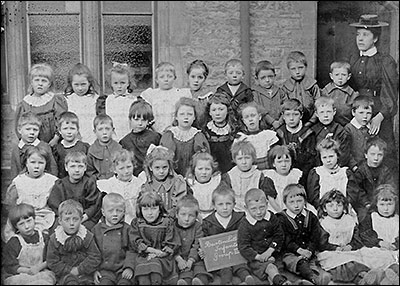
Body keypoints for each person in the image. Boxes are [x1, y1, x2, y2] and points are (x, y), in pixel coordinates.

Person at [348, 14, 399, 175]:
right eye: (358, 35)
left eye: (365, 34)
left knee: (383, 155)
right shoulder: (354, 59)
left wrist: (380, 116)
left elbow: (391, 93)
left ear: (375, 38)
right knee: (358, 151)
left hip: (379, 113)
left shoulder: (385, 61)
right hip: (359, 111)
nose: (360, 39)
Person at [276, 184, 332, 285]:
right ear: (285, 203)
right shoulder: (281, 219)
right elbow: (285, 239)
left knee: (315, 263)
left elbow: (315, 236)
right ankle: (313, 279)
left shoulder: (311, 216)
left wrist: (309, 251)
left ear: (305, 201)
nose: (296, 205)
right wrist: (299, 250)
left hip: (308, 251)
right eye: (291, 202)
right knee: (298, 263)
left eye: (299, 201)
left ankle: (315, 277)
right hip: (290, 252)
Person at [201, 186, 255, 285]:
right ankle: (227, 283)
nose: (225, 207)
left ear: (234, 204)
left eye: (228, 204)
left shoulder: (240, 218)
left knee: (241, 265)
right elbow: (204, 241)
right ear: (214, 205)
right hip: (219, 258)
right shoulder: (208, 222)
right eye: (220, 204)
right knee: (224, 268)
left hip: (237, 253)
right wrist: (202, 250)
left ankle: (247, 278)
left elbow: (247, 235)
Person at [4, 145, 58, 242]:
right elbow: (11, 204)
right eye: (32, 162)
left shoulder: (51, 181)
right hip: (22, 215)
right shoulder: (19, 181)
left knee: (42, 236)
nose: (36, 166)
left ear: (46, 164)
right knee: (12, 236)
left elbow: (56, 203)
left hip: (43, 215)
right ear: (26, 163)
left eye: (41, 162)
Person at [237, 188, 290, 285]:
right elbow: (243, 246)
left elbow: (279, 235)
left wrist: (270, 250)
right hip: (257, 259)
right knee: (270, 268)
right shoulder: (245, 224)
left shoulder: (272, 217)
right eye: (253, 209)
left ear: (267, 204)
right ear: (246, 208)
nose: (258, 212)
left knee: (276, 269)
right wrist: (259, 257)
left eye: (262, 207)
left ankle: (278, 281)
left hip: (274, 253)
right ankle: (282, 282)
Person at [317, 189, 370, 284]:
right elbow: (322, 243)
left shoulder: (349, 220)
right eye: (330, 205)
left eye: (339, 205)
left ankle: (364, 277)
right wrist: (335, 248)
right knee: (342, 264)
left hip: (349, 250)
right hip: (332, 252)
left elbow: (357, 238)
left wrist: (350, 246)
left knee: (358, 258)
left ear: (344, 207)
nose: (335, 209)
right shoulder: (324, 223)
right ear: (324, 208)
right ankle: (358, 278)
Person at [130, 191, 180, 285]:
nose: (150, 213)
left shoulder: (167, 222)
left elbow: (172, 243)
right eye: (145, 209)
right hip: (144, 255)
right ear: (140, 209)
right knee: (143, 272)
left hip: (163, 257)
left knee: (155, 269)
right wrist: (152, 251)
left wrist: (160, 254)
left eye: (154, 209)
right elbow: (135, 241)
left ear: (160, 209)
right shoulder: (137, 223)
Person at [46, 199, 101, 285]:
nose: (71, 223)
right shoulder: (55, 239)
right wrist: (69, 270)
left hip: (85, 273)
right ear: (60, 221)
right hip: (65, 275)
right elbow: (52, 261)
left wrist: (79, 270)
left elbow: (95, 257)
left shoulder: (87, 235)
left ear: (81, 219)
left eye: (75, 219)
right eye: (67, 219)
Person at [14, 63, 68, 146]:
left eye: (44, 81)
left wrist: (56, 139)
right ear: (31, 82)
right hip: (32, 144)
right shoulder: (25, 103)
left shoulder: (55, 100)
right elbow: (19, 126)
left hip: (53, 143)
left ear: (49, 84)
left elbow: (62, 120)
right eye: (37, 80)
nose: (40, 84)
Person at [2, 203, 56, 285]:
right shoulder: (14, 242)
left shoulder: (44, 238)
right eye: (21, 224)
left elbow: (51, 258)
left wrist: (39, 267)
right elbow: (10, 266)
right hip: (21, 274)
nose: (27, 226)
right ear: (16, 226)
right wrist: (28, 271)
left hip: (41, 271)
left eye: (29, 221)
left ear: (34, 219)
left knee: (45, 280)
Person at [48, 151, 103, 231]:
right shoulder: (61, 184)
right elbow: (54, 204)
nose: (77, 170)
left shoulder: (89, 183)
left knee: (87, 231)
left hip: (84, 218)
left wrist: (84, 217)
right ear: (66, 167)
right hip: (65, 217)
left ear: (85, 167)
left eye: (80, 166)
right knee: (57, 231)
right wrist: (66, 218)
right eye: (72, 166)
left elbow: (94, 204)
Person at [306, 137, 359, 219]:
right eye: (324, 157)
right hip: (323, 212)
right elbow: (313, 197)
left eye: (331, 156)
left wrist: (341, 208)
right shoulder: (317, 173)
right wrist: (325, 209)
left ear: (337, 155)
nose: (328, 160)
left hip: (343, 211)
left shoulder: (345, 173)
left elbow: (352, 195)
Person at [358, 184, 399, 284]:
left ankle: (388, 277)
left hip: (394, 251)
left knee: (395, 260)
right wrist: (379, 242)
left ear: (395, 203)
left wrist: (395, 244)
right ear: (376, 204)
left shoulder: (397, 219)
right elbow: (365, 233)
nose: (386, 209)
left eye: (389, 204)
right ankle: (375, 275)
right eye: (382, 204)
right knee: (373, 258)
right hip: (376, 249)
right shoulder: (372, 217)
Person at [222, 140, 277, 212]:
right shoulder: (229, 176)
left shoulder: (259, 176)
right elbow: (225, 197)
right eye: (240, 159)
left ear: (253, 158)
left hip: (256, 210)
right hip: (236, 210)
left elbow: (267, 198)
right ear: (234, 160)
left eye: (247, 158)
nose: (244, 162)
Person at [92, 193, 136, 285]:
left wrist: (129, 267)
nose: (115, 214)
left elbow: (132, 250)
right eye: (111, 211)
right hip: (105, 271)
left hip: (122, 269)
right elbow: (92, 252)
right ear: (103, 212)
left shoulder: (127, 229)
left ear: (124, 212)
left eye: (119, 211)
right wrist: (94, 271)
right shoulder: (96, 230)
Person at [160, 97, 210, 176]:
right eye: (182, 114)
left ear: (194, 117)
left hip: (193, 175)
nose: (186, 117)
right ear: (176, 116)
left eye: (190, 114)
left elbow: (203, 160)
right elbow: (164, 158)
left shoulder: (198, 136)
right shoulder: (169, 135)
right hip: (172, 176)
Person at [354, 137, 398, 222]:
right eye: (372, 154)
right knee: (364, 218)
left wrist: (382, 201)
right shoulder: (360, 171)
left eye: (379, 155)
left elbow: (390, 187)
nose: (376, 158)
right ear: (366, 155)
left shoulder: (385, 171)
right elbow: (358, 190)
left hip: (382, 203)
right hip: (365, 204)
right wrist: (366, 203)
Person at [140, 61, 192, 133]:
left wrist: (174, 128)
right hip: (155, 130)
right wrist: (156, 130)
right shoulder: (151, 94)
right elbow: (148, 114)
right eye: (162, 77)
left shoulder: (180, 94)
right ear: (156, 80)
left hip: (176, 130)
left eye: (169, 76)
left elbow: (183, 113)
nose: (166, 79)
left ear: (174, 78)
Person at [275, 99, 317, 187]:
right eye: (288, 114)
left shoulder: (308, 134)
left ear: (301, 115)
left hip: (303, 175)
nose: (291, 118)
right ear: (283, 116)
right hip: (283, 173)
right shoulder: (279, 133)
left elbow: (310, 160)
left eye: (295, 114)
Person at [96, 149, 145, 225]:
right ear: (114, 170)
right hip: (116, 222)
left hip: (135, 221)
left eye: (129, 167)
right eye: (121, 168)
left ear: (133, 165)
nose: (126, 171)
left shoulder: (139, 183)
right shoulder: (109, 185)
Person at [173, 195, 212, 285]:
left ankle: (200, 281)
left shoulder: (197, 226)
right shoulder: (172, 227)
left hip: (195, 258)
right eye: (183, 215)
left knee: (200, 269)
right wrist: (179, 259)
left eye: (191, 215)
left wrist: (191, 259)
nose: (186, 219)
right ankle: (184, 282)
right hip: (180, 258)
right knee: (185, 272)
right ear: (177, 214)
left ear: (196, 216)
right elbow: (172, 244)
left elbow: (197, 244)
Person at [140, 144, 188, 214]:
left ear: (169, 166)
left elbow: (180, 202)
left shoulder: (177, 181)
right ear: (150, 167)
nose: (161, 171)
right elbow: (145, 204)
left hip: (173, 217)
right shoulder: (147, 183)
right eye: (157, 168)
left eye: (164, 167)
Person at [10, 111, 58, 180]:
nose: (32, 132)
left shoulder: (44, 147)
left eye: (35, 130)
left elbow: (52, 168)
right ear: (19, 130)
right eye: (28, 129)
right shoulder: (16, 149)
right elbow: (14, 172)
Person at [119, 100, 161, 176]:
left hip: (154, 175)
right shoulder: (125, 141)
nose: (140, 123)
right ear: (130, 119)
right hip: (134, 177)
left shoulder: (155, 137)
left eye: (144, 120)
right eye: (136, 119)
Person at [234, 101, 279, 170]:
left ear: (259, 116)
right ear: (243, 121)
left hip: (268, 170)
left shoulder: (268, 135)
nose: (250, 119)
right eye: (246, 117)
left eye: (253, 115)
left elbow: (275, 156)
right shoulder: (241, 138)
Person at [310, 96, 352, 168]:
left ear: (334, 112)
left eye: (328, 112)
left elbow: (344, 153)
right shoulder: (313, 131)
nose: (325, 115)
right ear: (316, 114)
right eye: (322, 112)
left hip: (337, 167)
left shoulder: (340, 130)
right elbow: (312, 153)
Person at [103, 62, 141, 141]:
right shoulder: (107, 100)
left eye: (122, 83)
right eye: (116, 83)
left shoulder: (133, 100)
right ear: (111, 83)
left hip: (130, 136)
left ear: (128, 83)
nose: (119, 86)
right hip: (112, 137)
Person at [64, 63, 100, 144]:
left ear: (89, 83)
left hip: (92, 135)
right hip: (74, 137)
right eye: (76, 85)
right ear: (71, 84)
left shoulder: (96, 99)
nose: (80, 88)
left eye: (83, 84)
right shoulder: (68, 99)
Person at [281, 51, 321, 124]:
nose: (297, 72)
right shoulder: (285, 87)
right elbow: (285, 107)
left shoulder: (312, 85)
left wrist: (311, 121)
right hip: (292, 122)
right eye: (293, 69)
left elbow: (319, 104)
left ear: (306, 67)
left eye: (300, 68)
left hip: (311, 122)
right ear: (289, 69)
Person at [202, 92, 238, 173]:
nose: (217, 113)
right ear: (209, 112)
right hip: (212, 168)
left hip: (231, 167)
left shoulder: (234, 129)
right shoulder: (206, 130)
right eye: (214, 110)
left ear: (228, 111)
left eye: (221, 109)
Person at [263, 145, 303, 214]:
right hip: (276, 208)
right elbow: (271, 199)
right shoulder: (271, 176)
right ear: (273, 164)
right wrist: (281, 212)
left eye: (287, 161)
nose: (284, 164)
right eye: (280, 162)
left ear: (291, 162)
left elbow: (301, 195)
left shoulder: (296, 174)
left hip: (295, 206)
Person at [186, 151, 226, 219]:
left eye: (207, 169)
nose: (204, 172)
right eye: (200, 169)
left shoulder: (217, 182)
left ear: (212, 169)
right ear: (194, 169)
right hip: (196, 216)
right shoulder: (190, 184)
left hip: (216, 215)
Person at [52, 111, 90, 179]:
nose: (69, 132)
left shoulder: (84, 147)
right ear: (60, 131)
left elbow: (88, 167)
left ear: (77, 130)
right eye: (65, 129)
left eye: (72, 128)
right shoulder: (57, 149)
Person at [320, 61, 358, 127]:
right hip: (327, 126)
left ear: (348, 76)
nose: (340, 78)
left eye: (343, 75)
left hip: (345, 127)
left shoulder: (353, 95)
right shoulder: (324, 92)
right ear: (331, 76)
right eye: (337, 75)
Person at [252, 60, 287, 130]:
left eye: (270, 77)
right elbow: (259, 109)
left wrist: (280, 121)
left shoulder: (280, 91)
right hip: (262, 127)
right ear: (256, 79)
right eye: (263, 78)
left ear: (275, 76)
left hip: (280, 125)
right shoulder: (254, 93)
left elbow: (286, 106)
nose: (267, 80)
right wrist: (272, 122)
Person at [86, 114, 123, 180]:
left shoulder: (118, 148)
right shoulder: (92, 150)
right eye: (100, 129)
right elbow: (89, 171)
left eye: (107, 129)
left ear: (113, 130)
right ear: (95, 131)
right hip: (98, 182)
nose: (104, 132)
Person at [344, 95, 376, 171]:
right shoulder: (348, 129)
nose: (365, 116)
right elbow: (346, 151)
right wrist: (354, 166)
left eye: (368, 113)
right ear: (353, 112)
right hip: (355, 167)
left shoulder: (372, 128)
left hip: (370, 167)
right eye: (361, 112)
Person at [184, 59, 213, 128]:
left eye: (200, 77)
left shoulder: (208, 97)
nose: (196, 80)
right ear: (188, 77)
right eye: (193, 77)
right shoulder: (183, 94)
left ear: (205, 79)